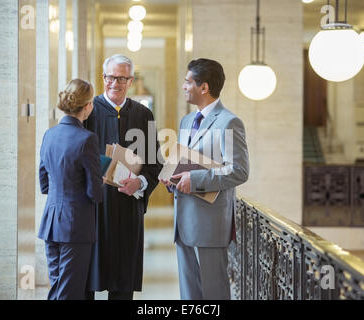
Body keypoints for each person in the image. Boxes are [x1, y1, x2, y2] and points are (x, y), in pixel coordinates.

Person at [160, 58, 249, 300]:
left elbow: (239, 170)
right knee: (189, 295)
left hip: (210, 225)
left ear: (204, 87)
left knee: (213, 293)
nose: (183, 86)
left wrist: (195, 177)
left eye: (188, 82)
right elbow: (184, 161)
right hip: (183, 221)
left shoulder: (229, 122)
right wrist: (173, 178)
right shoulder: (187, 121)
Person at [84, 54, 163, 300]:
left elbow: (154, 164)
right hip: (93, 209)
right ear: (103, 77)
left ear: (131, 81)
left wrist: (139, 183)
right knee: (87, 277)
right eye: (110, 77)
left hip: (128, 208)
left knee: (123, 281)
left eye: (121, 78)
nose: (114, 83)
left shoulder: (143, 115)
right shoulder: (88, 111)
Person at [38, 79, 104, 300]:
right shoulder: (87, 139)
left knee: (58, 286)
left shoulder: (49, 135)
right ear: (87, 106)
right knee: (70, 292)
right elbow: (95, 192)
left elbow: (44, 183)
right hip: (75, 225)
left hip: (51, 222)